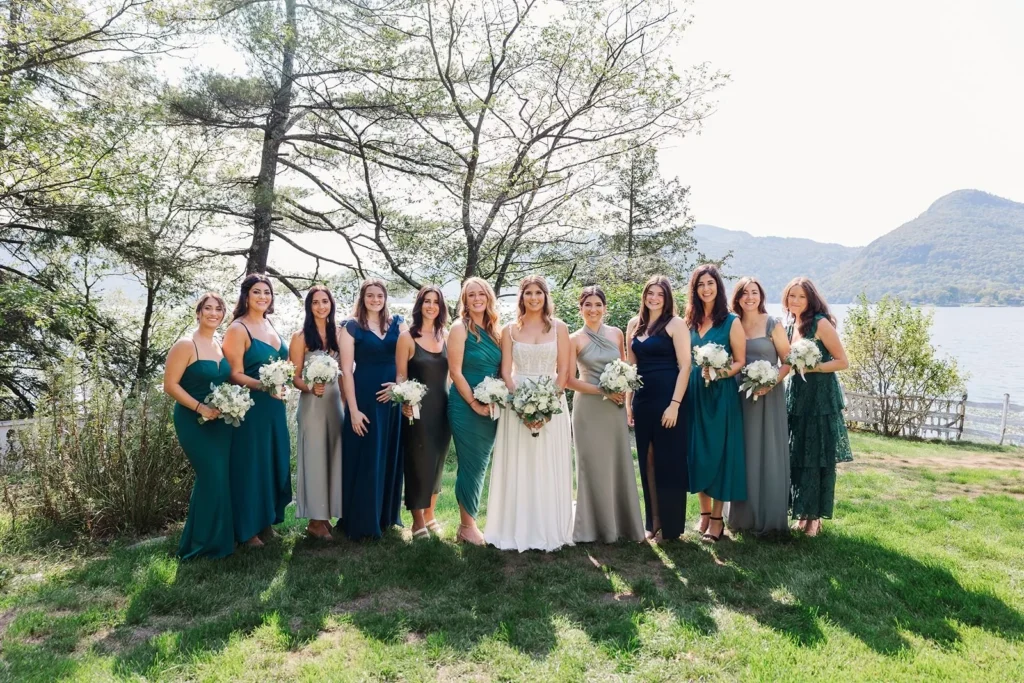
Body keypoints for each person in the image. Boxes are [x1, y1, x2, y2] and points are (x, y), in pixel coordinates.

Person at [484, 276, 574, 552]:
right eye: (528, 293)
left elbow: (564, 371)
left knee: (547, 461)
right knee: (520, 462)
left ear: (546, 296)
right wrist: (520, 403)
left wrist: (548, 406)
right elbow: (506, 372)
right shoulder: (510, 330)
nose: (534, 298)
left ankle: (549, 526)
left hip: (552, 402)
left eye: (539, 293)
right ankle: (515, 527)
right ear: (521, 297)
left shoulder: (560, 328)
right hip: (517, 403)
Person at [568, 285, 645, 543]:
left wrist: (621, 390)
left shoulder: (616, 333)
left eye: (598, 304)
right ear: (580, 309)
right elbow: (568, 380)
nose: (593, 309)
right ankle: (591, 528)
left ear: (605, 308)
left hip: (614, 408)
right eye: (588, 305)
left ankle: (623, 525)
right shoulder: (574, 339)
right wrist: (602, 390)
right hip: (588, 408)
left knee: (617, 462)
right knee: (591, 465)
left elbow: (624, 367)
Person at [164, 292, 235, 559]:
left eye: (219, 309)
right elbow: (170, 385)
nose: (213, 313)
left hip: (220, 423)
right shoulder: (186, 344)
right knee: (211, 476)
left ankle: (217, 540)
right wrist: (200, 408)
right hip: (192, 420)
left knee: (219, 478)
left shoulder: (219, 345)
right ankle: (200, 546)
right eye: (208, 308)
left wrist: (231, 403)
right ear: (198, 312)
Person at [223, 274, 292, 548]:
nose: (263, 297)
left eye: (267, 292)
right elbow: (233, 374)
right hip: (251, 408)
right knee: (251, 465)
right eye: (257, 292)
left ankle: (266, 522)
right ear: (246, 296)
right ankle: (247, 528)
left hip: (274, 407)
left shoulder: (269, 323)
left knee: (271, 461)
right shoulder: (238, 328)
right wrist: (264, 386)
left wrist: (283, 382)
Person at [783, 276, 852, 537]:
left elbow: (842, 361)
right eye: (792, 296)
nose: (796, 300)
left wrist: (814, 367)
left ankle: (815, 519)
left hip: (820, 398)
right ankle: (802, 513)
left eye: (801, 296)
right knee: (798, 455)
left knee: (817, 456)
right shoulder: (791, 325)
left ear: (811, 299)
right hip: (797, 397)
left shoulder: (821, 323)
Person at [339, 278, 406, 540]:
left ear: (385, 298)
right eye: (370, 295)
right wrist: (353, 410)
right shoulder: (352, 326)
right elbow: (346, 371)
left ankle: (385, 516)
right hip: (364, 398)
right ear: (363, 298)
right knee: (366, 457)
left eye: (380, 295)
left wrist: (399, 387)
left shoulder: (398, 324)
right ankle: (362, 520)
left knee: (387, 454)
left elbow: (407, 360)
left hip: (391, 399)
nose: (375, 300)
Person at [626, 275, 691, 542]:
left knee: (669, 461)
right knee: (648, 460)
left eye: (660, 294)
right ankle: (653, 522)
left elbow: (685, 366)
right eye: (650, 293)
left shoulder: (676, 324)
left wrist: (675, 405)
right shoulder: (634, 324)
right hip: (642, 400)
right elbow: (630, 367)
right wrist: (629, 402)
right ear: (644, 295)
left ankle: (671, 527)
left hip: (668, 397)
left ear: (667, 298)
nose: (654, 298)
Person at [686, 264, 747, 543]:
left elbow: (740, 361)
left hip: (721, 394)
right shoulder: (689, 321)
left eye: (710, 283)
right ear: (695, 289)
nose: (706, 289)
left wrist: (718, 373)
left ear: (718, 287)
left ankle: (717, 519)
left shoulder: (731, 321)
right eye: (700, 284)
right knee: (697, 451)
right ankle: (704, 513)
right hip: (694, 394)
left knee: (721, 452)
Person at [727, 277, 791, 534]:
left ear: (761, 296)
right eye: (744, 293)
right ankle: (742, 517)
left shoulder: (772, 323)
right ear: (737, 298)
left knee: (768, 451)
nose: (750, 297)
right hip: (739, 396)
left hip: (768, 397)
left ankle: (769, 515)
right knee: (742, 452)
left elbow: (787, 361)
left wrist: (771, 382)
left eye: (754, 292)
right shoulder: (732, 323)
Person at [446, 277, 503, 545]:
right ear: (465, 301)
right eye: (471, 295)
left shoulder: (496, 330)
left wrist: (497, 397)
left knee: (480, 464)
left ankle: (467, 526)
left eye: (481, 293)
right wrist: (473, 403)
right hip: (465, 404)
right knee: (470, 463)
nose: (477, 298)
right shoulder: (459, 328)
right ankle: (467, 527)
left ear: (489, 297)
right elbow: (455, 372)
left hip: (490, 404)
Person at [396, 285, 451, 539]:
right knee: (418, 462)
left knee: (437, 462)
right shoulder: (407, 337)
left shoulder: (446, 335)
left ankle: (430, 515)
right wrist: (405, 400)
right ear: (419, 305)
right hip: (416, 411)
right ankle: (417, 520)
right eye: (427, 301)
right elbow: (400, 376)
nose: (431, 306)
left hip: (443, 409)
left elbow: (452, 375)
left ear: (441, 307)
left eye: (436, 302)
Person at [289, 285, 344, 540]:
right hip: (312, 404)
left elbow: (345, 372)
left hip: (335, 404)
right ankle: (314, 520)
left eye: (325, 301)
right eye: (315, 302)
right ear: (309, 307)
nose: (321, 306)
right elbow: (294, 376)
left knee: (333, 456)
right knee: (314, 457)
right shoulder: (300, 336)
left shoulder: (339, 333)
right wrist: (310, 387)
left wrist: (347, 404)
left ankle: (326, 515)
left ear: (331, 304)